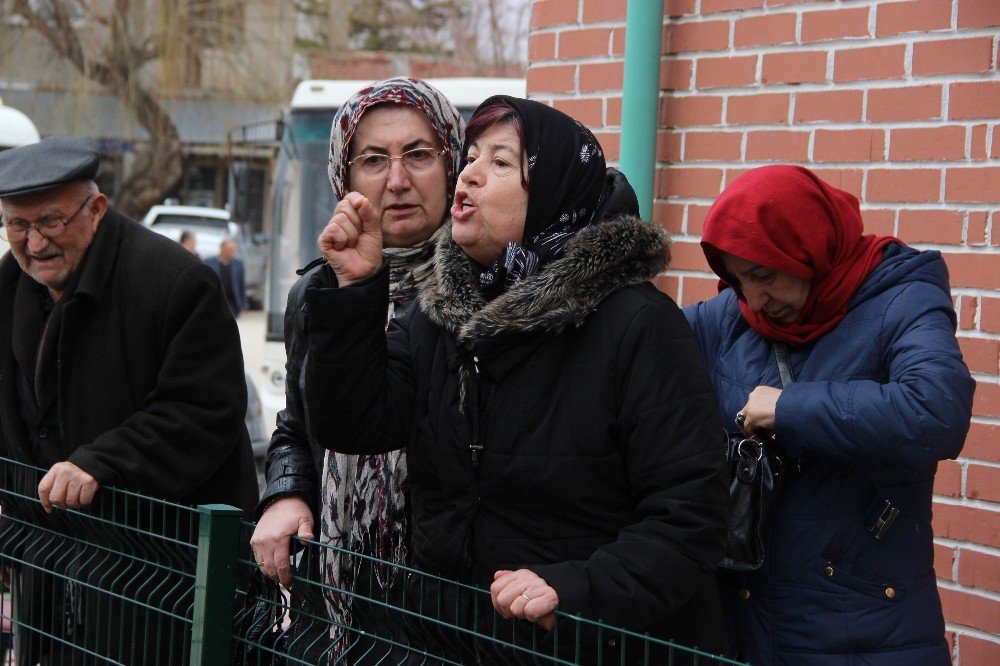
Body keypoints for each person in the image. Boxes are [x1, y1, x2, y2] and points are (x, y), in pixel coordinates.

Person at [302, 96, 728, 662]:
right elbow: (352, 422)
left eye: (502, 163)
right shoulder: (441, 311)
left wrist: (577, 589)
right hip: (453, 638)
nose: (470, 172)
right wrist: (356, 290)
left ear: (553, 195)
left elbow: (691, 517)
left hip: (579, 643)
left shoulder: (637, 326)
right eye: (471, 155)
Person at [683, 165, 975, 665]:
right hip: (746, 629)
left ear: (807, 248)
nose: (752, 298)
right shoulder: (731, 317)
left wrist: (787, 407)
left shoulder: (902, 299)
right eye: (735, 279)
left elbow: (937, 410)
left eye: (763, 275)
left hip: (867, 632)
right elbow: (637, 347)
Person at [0, 136, 258, 664]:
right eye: (16, 226)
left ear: (96, 209)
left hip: (162, 572)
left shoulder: (176, 282)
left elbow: (203, 411)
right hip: (48, 564)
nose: (33, 242)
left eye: (49, 222)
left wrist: (99, 464)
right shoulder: (8, 285)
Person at [249, 77, 464, 660]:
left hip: (444, 607)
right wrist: (286, 493)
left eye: (418, 154)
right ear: (344, 180)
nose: (397, 180)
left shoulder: (481, 291)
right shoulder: (316, 293)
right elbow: (299, 423)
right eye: (373, 159)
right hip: (335, 601)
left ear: (454, 163)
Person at [205, 238, 247, 316]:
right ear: (222, 250)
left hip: (232, 302)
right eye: (229, 250)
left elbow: (242, 284)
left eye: (233, 250)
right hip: (216, 300)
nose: (232, 253)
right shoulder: (209, 262)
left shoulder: (238, 264)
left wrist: (243, 303)